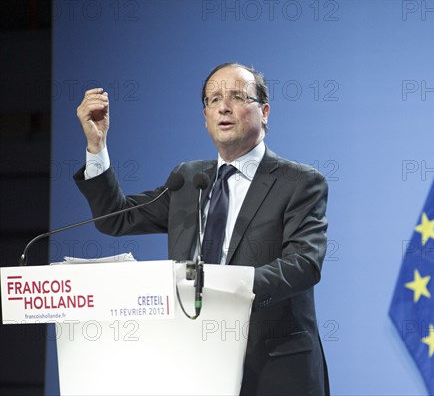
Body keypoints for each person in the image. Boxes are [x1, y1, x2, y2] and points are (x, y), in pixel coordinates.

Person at [73, 63, 330, 395]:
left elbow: (304, 264)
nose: (223, 106)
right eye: (213, 99)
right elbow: (115, 217)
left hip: (274, 367)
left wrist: (222, 287)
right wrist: (97, 147)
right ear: (205, 117)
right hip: (195, 362)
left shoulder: (299, 182)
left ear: (264, 112)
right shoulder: (189, 179)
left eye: (237, 97)